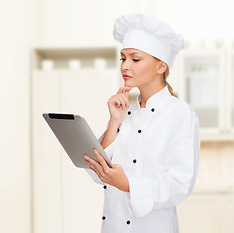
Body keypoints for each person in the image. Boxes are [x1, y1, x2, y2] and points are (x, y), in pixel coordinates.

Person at [83, 12, 200, 233]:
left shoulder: (181, 115)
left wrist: (128, 185)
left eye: (135, 59)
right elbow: (99, 173)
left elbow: (180, 184)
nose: (125, 66)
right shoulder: (125, 112)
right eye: (123, 58)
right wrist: (114, 121)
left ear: (161, 66)